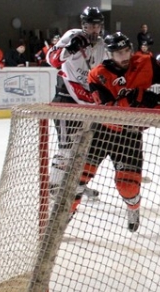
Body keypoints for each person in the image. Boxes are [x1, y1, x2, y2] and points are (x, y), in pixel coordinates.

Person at [86, 32, 160, 232]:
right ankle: (61, 223)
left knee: (128, 186)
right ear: (109, 54)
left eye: (126, 51)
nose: (124, 56)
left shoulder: (146, 62)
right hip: (101, 131)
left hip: (129, 134)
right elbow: (108, 109)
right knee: (78, 179)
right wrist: (138, 96)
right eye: (118, 53)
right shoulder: (97, 74)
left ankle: (133, 207)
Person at [46, 6, 107, 200]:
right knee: (66, 148)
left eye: (97, 26)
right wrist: (70, 48)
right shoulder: (72, 36)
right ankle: (55, 187)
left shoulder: (102, 46)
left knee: (82, 148)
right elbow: (52, 60)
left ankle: (75, 183)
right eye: (90, 26)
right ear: (83, 25)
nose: (94, 30)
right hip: (67, 101)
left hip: (87, 105)